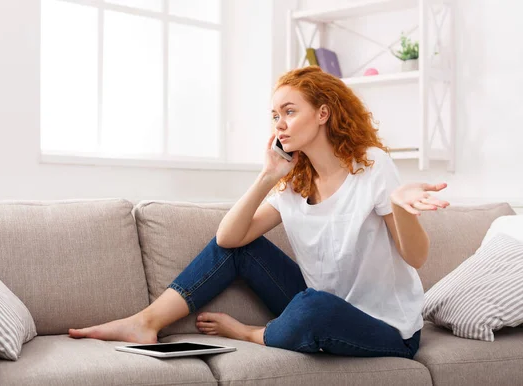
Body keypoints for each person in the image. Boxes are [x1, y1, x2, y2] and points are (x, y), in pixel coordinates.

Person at [68, 65, 450, 358]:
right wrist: (268, 175)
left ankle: (253, 333)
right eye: (274, 115)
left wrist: (401, 208)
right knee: (249, 251)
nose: (279, 124)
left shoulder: (371, 165)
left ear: (322, 113)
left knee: (313, 306)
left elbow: (415, 257)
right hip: (317, 301)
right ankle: (145, 322)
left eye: (289, 111)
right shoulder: (294, 181)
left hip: (385, 328)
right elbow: (228, 239)